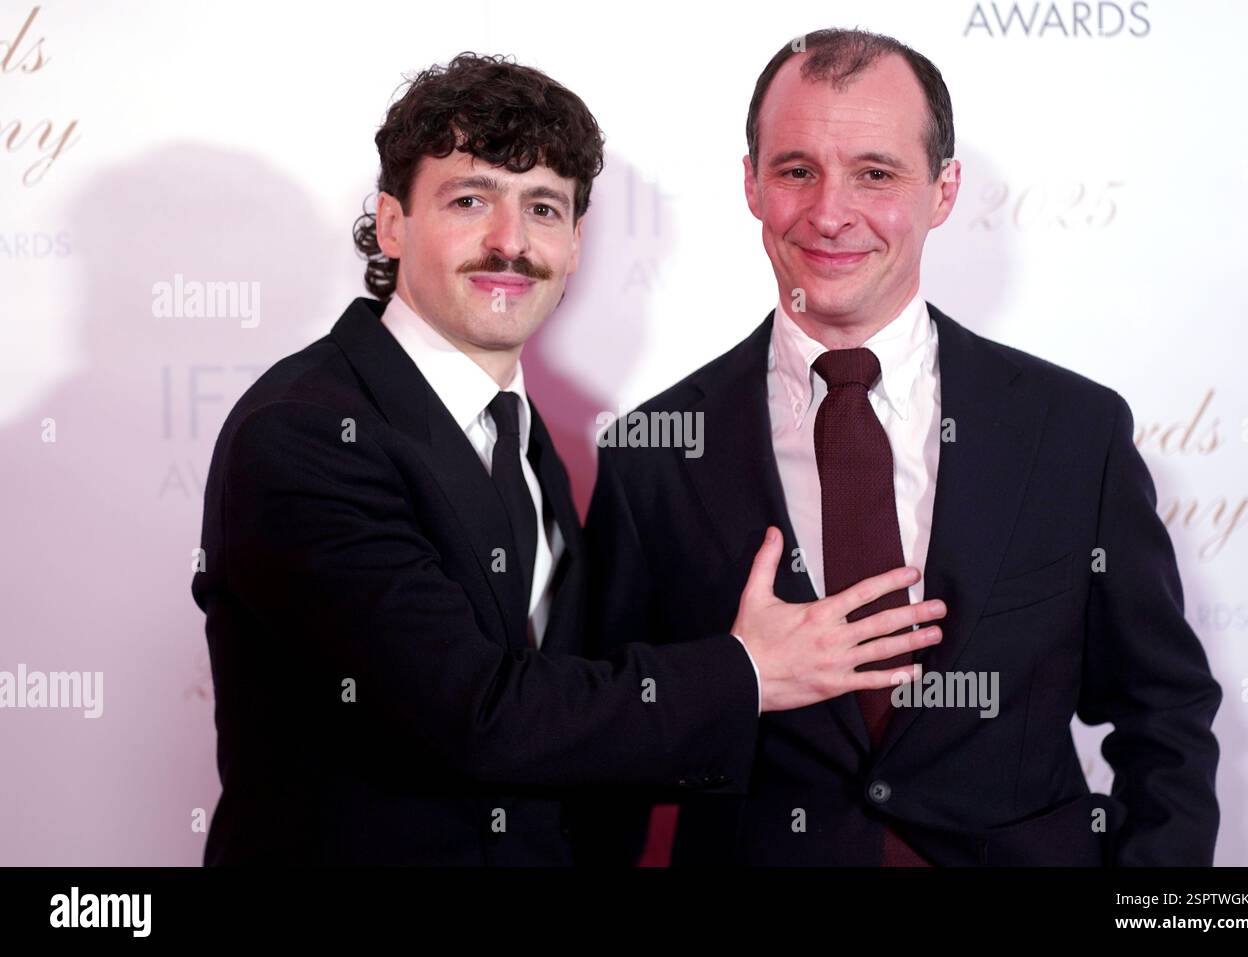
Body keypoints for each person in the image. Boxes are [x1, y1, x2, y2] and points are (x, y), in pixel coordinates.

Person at [191, 52, 943, 866]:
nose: (510, 242)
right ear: (391, 223)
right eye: (471, 199)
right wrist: (749, 669)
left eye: (543, 208)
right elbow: (470, 713)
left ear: (576, 244)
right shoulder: (305, 433)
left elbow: (577, 725)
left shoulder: (519, 434)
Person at [582, 28, 1221, 866]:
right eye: (797, 170)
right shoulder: (653, 455)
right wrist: (731, 679)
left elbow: (1163, 714)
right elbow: (605, 752)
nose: (831, 212)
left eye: (875, 173)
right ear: (751, 184)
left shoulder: (1073, 431)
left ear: (944, 190)